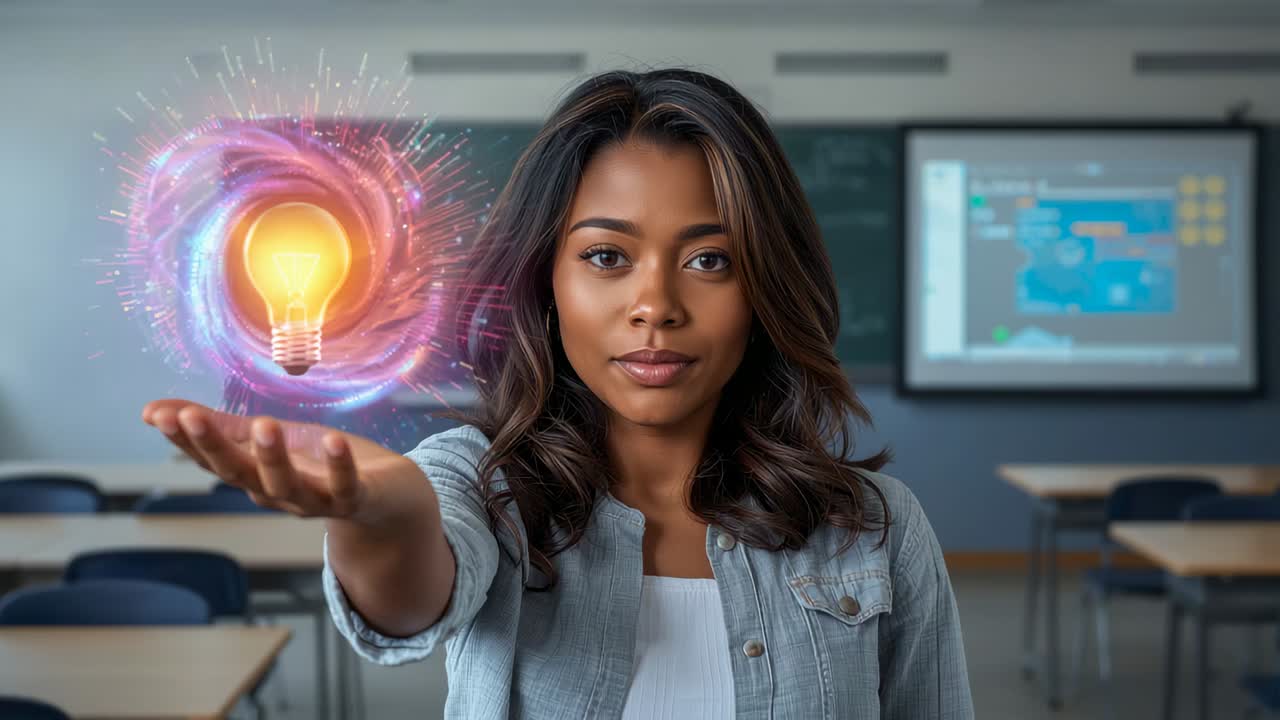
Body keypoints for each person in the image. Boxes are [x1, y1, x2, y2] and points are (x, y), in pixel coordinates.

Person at [142, 67, 974, 719]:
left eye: (710, 259)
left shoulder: (876, 528)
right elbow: (409, 597)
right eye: (607, 257)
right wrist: (384, 518)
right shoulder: (480, 482)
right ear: (546, 282)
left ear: (764, 288)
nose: (656, 305)